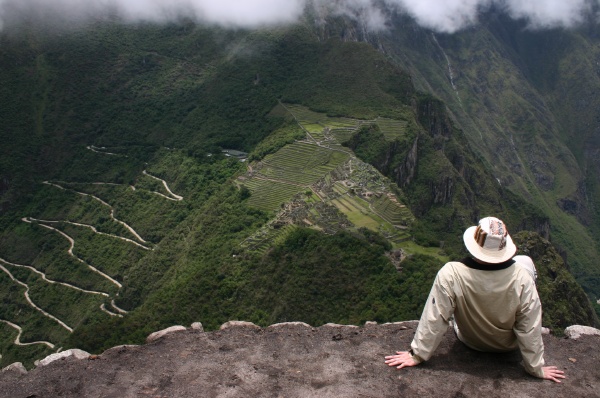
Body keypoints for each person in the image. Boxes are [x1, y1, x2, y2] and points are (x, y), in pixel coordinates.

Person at [384, 216, 565, 383]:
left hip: (471, 340)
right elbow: (530, 326)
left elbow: (436, 316)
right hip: (508, 346)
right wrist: (536, 367)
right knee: (525, 262)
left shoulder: (452, 273)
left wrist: (417, 354)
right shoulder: (522, 278)